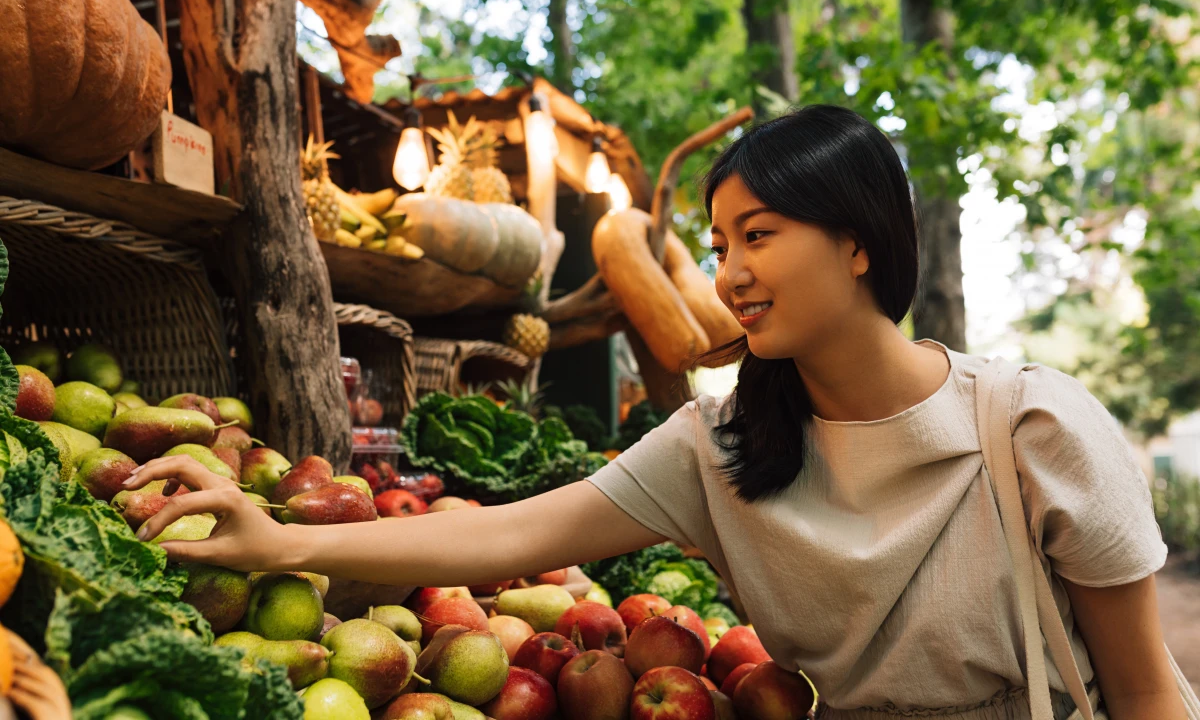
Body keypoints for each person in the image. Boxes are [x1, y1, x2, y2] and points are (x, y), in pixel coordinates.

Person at [124, 105, 1183, 719]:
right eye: (720, 245)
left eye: (757, 234)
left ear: (860, 240)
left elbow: (1150, 694)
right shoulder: (723, 447)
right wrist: (280, 539)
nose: (727, 274)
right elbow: (514, 530)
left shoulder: (1035, 429)